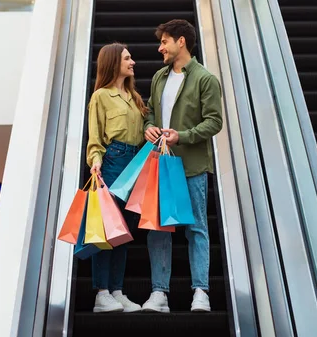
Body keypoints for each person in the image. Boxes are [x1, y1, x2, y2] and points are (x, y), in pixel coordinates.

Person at [141, 19, 223, 313]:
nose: (160, 47)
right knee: (158, 229)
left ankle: (200, 292)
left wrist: (183, 136)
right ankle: (159, 294)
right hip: (161, 166)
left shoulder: (205, 79)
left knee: (196, 229)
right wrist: (148, 127)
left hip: (192, 166)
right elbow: (150, 113)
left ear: (181, 42)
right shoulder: (159, 78)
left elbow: (215, 121)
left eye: (164, 41)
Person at [86, 42, 148, 313]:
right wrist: (96, 162)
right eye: (127, 58)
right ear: (114, 62)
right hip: (112, 161)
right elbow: (95, 137)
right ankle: (102, 293)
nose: (132, 62)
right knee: (106, 229)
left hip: (136, 164)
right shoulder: (101, 96)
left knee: (124, 232)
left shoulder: (134, 97)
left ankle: (117, 290)